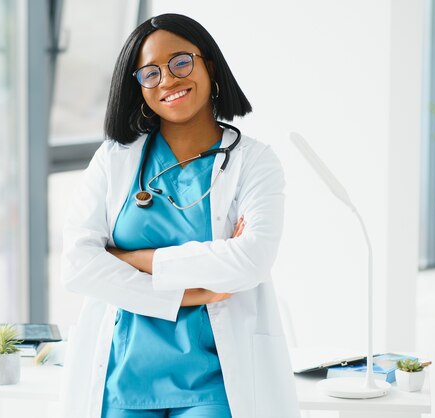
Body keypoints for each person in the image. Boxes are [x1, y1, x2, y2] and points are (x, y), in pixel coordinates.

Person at [60, 13, 299, 418]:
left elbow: (250, 262)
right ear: (138, 88)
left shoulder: (254, 161)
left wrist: (132, 259)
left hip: (214, 378)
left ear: (209, 64)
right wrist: (193, 293)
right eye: (149, 73)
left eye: (181, 62)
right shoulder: (114, 160)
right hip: (123, 373)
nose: (167, 79)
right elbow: (78, 266)